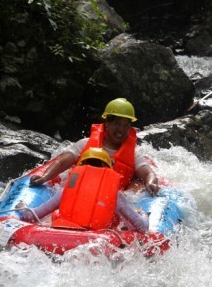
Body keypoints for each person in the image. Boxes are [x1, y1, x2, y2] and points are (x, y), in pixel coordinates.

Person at [29, 98, 160, 195]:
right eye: (117, 123)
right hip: (81, 191)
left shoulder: (133, 154)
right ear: (107, 123)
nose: (121, 129)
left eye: (126, 125)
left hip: (113, 199)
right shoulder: (85, 143)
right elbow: (63, 161)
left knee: (137, 183)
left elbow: (149, 173)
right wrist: (46, 176)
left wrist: (151, 182)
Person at [17, 147, 149, 232]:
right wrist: (143, 214)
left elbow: (32, 216)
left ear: (80, 168)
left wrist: (22, 206)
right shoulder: (115, 196)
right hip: (96, 241)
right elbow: (141, 227)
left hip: (61, 235)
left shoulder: (67, 190)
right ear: (107, 169)